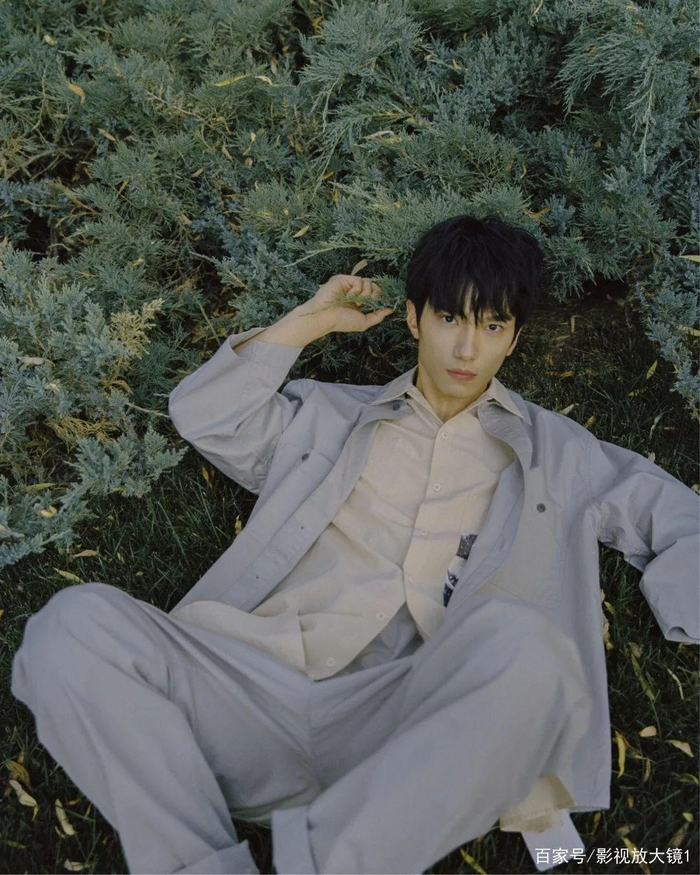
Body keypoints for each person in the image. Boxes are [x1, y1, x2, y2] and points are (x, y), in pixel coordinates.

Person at [11, 215, 699, 875]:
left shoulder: (559, 452)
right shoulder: (326, 414)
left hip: (402, 730)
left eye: (492, 326)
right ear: (414, 318)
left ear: (513, 339)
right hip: (248, 693)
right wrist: (305, 323)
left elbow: (675, 518)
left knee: (532, 649)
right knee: (71, 625)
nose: (467, 349)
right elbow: (206, 415)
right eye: (450, 319)